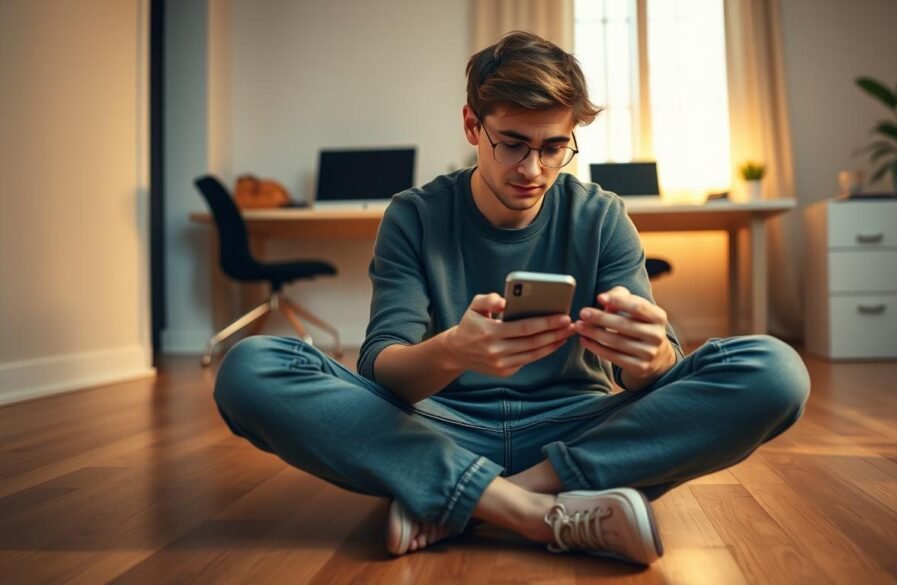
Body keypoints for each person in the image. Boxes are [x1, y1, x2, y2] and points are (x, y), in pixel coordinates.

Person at [213, 31, 810, 566]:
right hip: (438, 425)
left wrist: (650, 356)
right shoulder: (414, 216)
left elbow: (651, 377)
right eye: (513, 144)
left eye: (555, 147)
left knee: (776, 371)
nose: (534, 168)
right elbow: (383, 368)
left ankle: (466, 497)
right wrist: (453, 353)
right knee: (249, 367)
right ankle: (538, 512)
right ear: (473, 126)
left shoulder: (601, 217)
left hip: (578, 426)